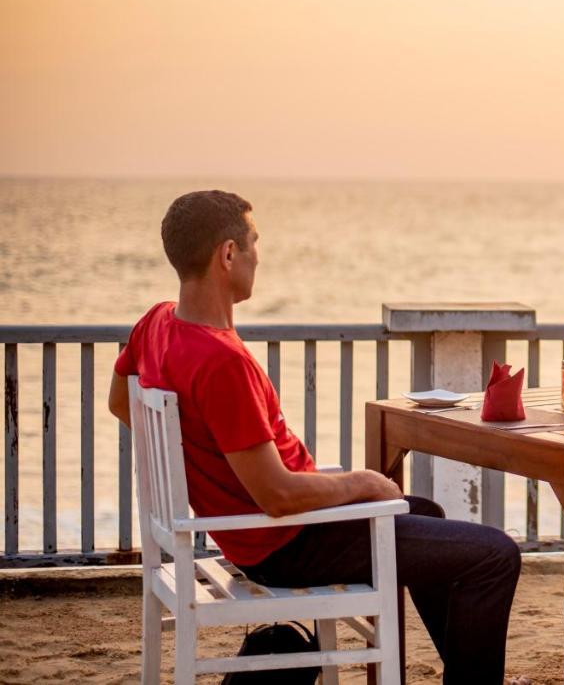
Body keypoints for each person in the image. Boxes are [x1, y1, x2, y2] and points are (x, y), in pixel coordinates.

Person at [107, 190, 523, 685]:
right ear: (228, 254)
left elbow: (119, 402)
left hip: (253, 534)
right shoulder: (222, 363)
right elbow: (277, 494)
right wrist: (362, 482)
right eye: (253, 242)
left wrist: (201, 462)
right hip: (285, 545)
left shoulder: (156, 323)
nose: (258, 255)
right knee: (495, 555)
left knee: (425, 515)